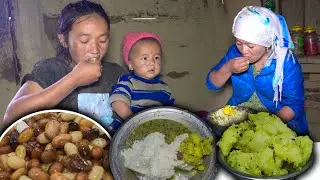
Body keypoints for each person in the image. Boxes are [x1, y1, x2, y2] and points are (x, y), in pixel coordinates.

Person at [2, 1, 125, 130]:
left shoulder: (116, 73)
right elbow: (10, 116)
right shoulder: (51, 70)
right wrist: (73, 79)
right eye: (84, 41)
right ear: (64, 40)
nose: (95, 49)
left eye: (102, 40)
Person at [206, 6, 308, 135]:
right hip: (239, 115)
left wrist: (264, 126)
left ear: (268, 44)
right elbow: (212, 83)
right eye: (239, 43)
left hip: (276, 120)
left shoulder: (286, 62)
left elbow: (295, 104)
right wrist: (228, 68)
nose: (243, 50)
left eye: (250, 46)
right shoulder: (234, 53)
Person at [109, 32, 175, 120]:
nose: (152, 62)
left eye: (156, 57)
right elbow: (117, 103)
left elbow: (171, 112)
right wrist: (134, 122)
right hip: (129, 127)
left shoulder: (164, 88)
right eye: (145, 58)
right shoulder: (128, 81)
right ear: (131, 65)